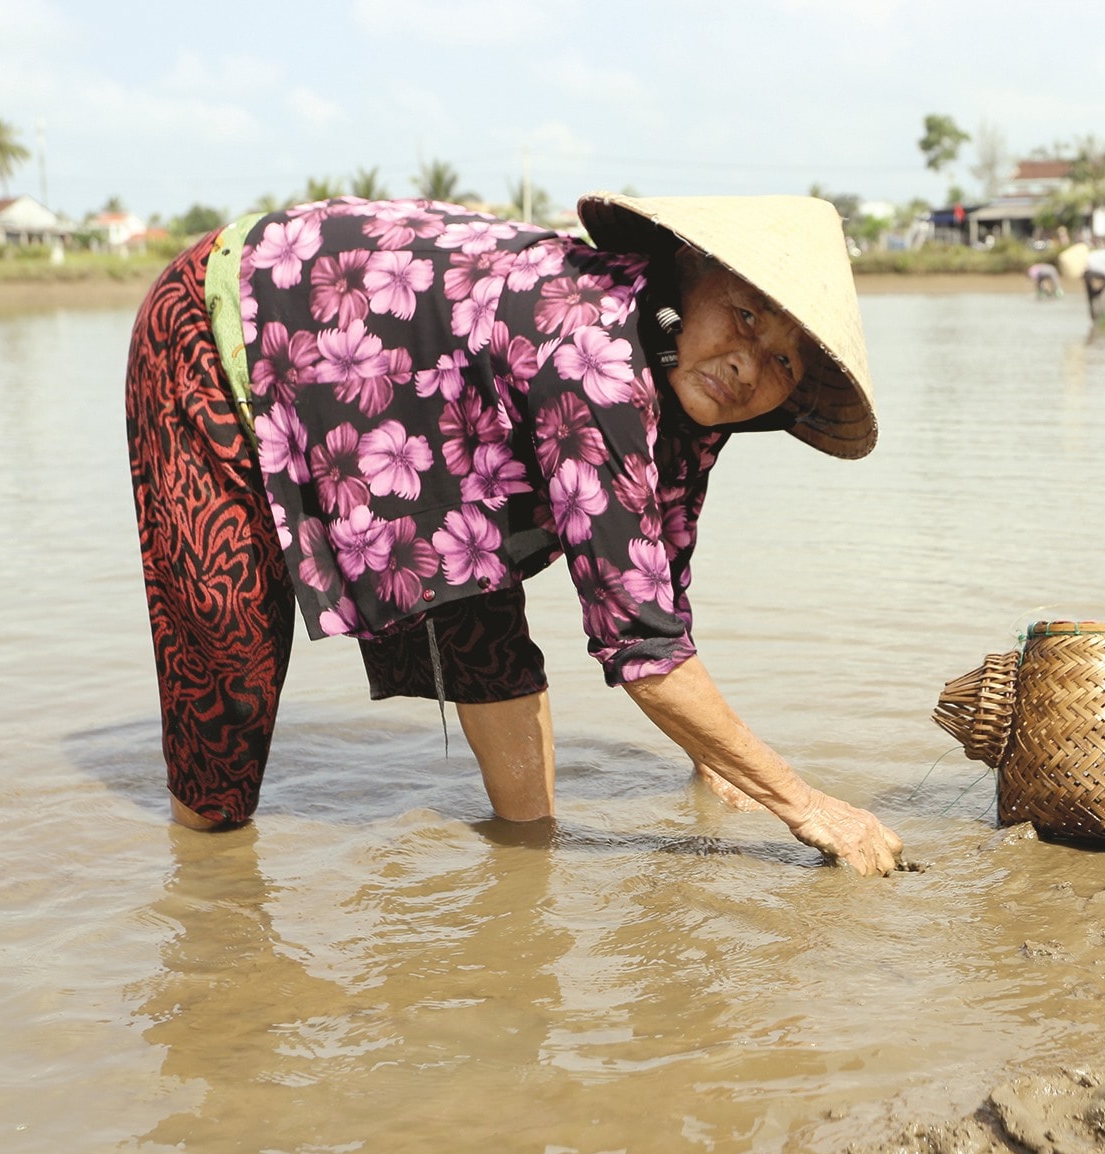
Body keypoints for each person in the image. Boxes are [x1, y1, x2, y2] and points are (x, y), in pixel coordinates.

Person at [125, 192, 904, 876]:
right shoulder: (593, 352)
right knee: (227, 658)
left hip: (429, 411)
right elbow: (643, 649)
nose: (745, 365)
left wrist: (713, 756)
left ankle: (525, 871)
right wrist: (803, 805)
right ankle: (210, 890)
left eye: (780, 361)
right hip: (229, 319)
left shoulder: (689, 386)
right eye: (743, 316)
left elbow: (658, 579)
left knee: (485, 624)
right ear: (690, 280)